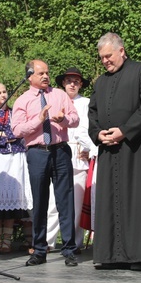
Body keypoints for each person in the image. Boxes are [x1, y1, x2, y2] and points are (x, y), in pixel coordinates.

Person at [88, 33, 141, 270]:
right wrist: (98, 134)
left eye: (108, 56)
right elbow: (92, 113)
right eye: (101, 57)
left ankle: (140, 255)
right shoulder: (100, 82)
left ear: (121, 51)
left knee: (139, 200)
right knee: (110, 200)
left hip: (138, 148)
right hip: (109, 149)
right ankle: (112, 255)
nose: (105, 61)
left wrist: (123, 131)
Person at [12, 59, 79, 267]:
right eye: (40, 73)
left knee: (65, 201)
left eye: (47, 73)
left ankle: (69, 250)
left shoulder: (60, 95)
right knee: (40, 202)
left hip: (60, 151)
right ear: (30, 76)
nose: (45, 77)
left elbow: (75, 118)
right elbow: (16, 130)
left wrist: (64, 120)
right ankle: (39, 250)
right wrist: (38, 121)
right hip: (38, 153)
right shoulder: (22, 100)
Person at [46, 67, 95, 252]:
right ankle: (48, 242)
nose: (72, 84)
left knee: (76, 204)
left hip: (79, 155)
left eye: (76, 81)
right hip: (58, 153)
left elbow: (92, 128)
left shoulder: (88, 103)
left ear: (80, 84)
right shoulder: (55, 100)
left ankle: (74, 243)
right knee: (52, 202)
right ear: (63, 84)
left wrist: (91, 149)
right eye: (68, 81)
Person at [0, 83, 33, 254]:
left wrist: (6, 136)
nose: (4, 95)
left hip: (15, 158)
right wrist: (3, 139)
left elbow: (20, 132)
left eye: (5, 92)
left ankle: (7, 241)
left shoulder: (14, 113)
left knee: (12, 201)